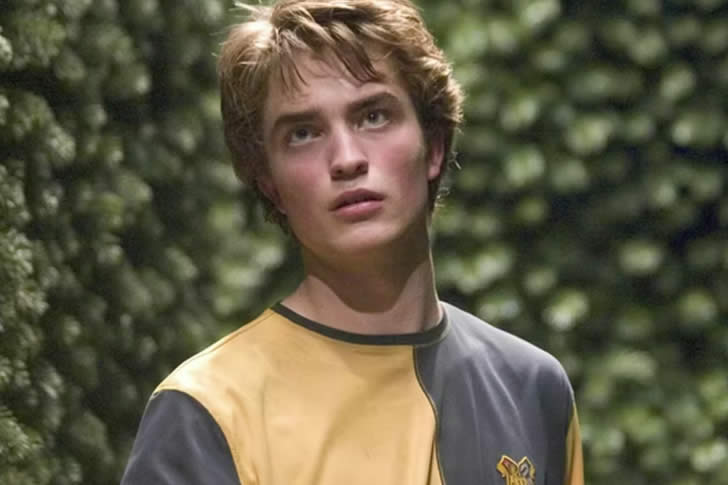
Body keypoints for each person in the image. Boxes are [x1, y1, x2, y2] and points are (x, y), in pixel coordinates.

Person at [121, 0, 584, 484]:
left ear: (434, 145)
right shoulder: (206, 414)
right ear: (269, 183)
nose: (346, 158)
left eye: (373, 116)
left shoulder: (532, 389)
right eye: (303, 133)